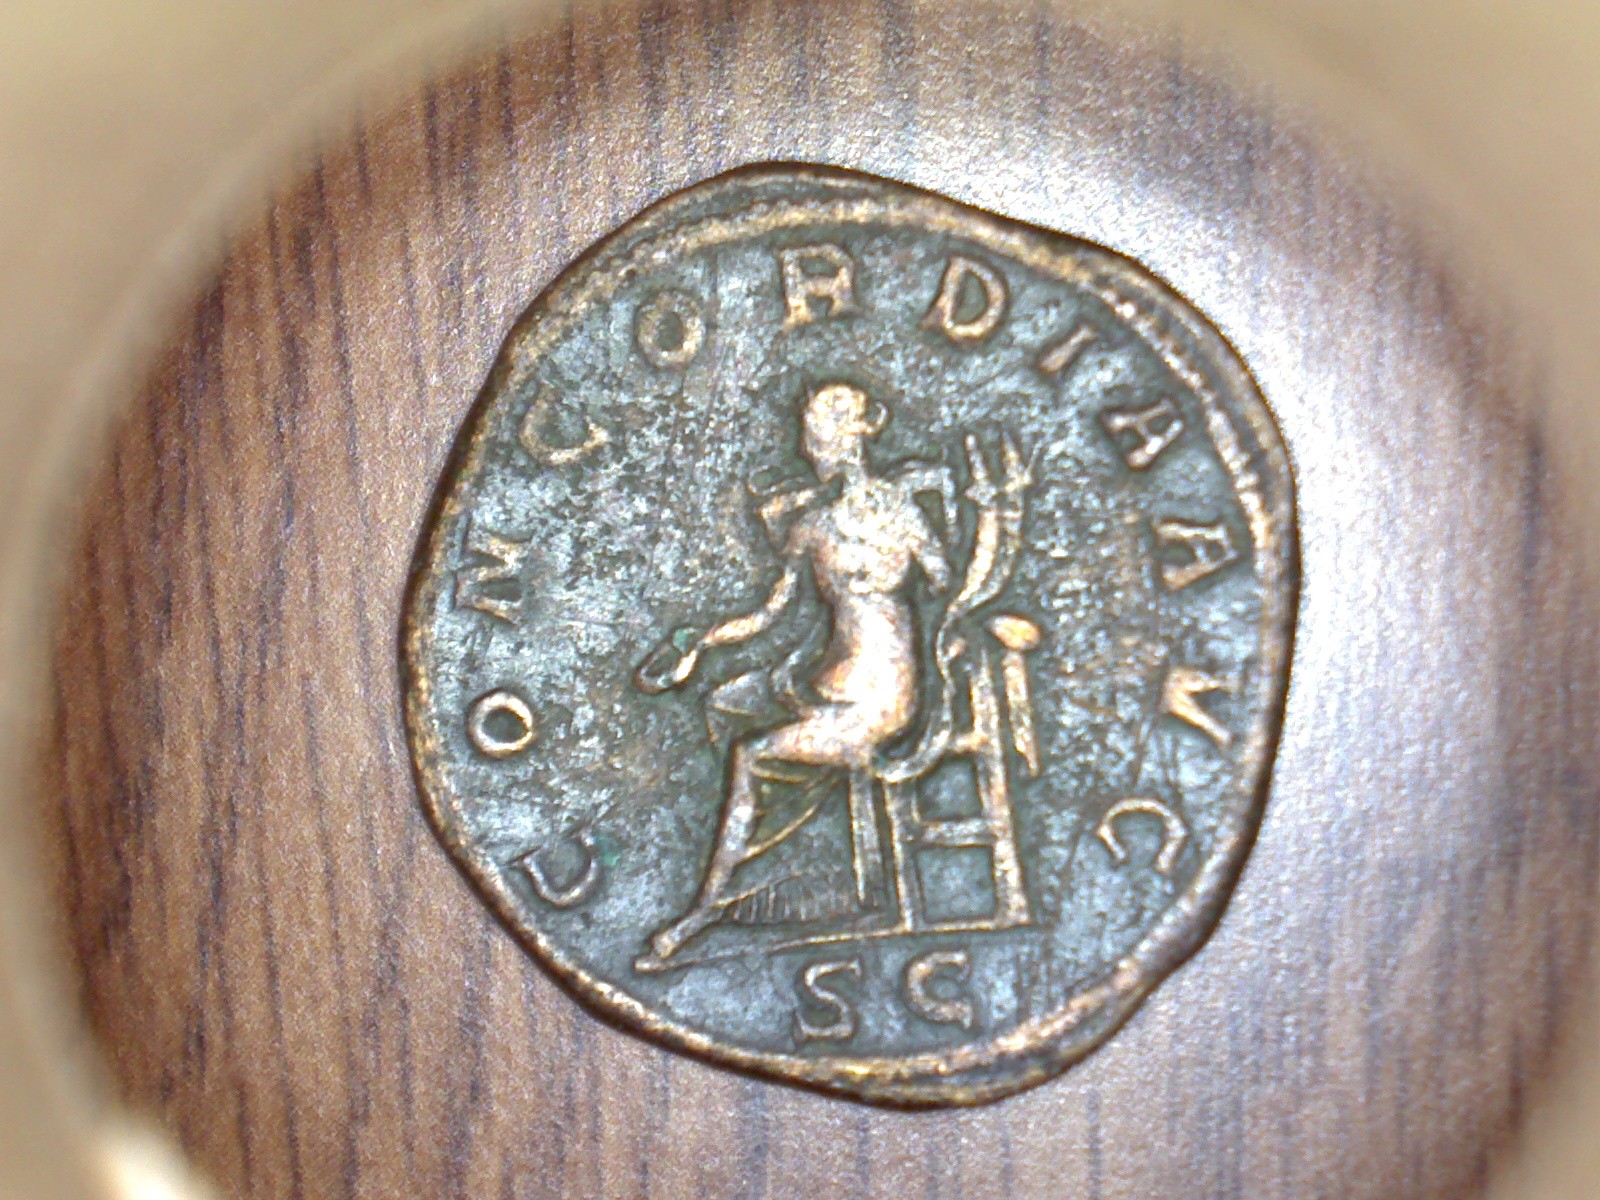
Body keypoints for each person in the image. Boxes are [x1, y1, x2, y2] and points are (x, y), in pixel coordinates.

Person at [634, 381, 952, 967]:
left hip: (878, 701)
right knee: (727, 702)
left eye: (814, 438)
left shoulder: (888, 512)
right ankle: (801, 874)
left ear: (844, 441)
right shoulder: (816, 524)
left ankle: (707, 910)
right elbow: (769, 614)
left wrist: (933, 505)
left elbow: (946, 590)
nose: (806, 450)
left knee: (751, 754)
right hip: (828, 684)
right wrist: (698, 644)